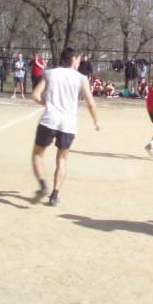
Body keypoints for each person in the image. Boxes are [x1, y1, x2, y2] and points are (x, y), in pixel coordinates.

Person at [31, 47, 101, 206]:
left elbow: (35, 95)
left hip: (49, 120)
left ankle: (43, 186)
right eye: (78, 59)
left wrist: (47, 104)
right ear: (73, 59)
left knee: (37, 155)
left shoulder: (49, 73)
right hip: (68, 123)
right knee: (61, 159)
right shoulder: (81, 78)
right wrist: (96, 121)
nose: (79, 63)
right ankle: (55, 196)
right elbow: (91, 103)